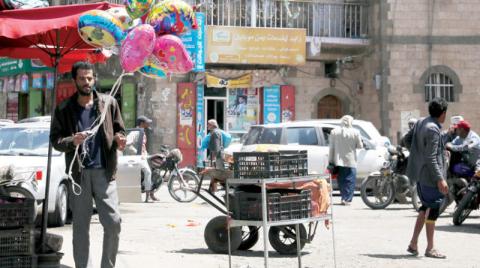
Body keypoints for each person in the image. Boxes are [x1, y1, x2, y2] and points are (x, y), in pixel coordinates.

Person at [50, 61, 126, 268]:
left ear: (94, 79)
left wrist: (120, 139)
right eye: (82, 78)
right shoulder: (64, 108)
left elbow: (121, 130)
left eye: (90, 78)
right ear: (75, 80)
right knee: (81, 227)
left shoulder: (109, 103)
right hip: (79, 175)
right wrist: (71, 141)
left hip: (105, 172)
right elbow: (55, 140)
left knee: (113, 223)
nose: (87, 82)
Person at [404, 97, 449, 259]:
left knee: (424, 208)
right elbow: (431, 157)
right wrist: (440, 179)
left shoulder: (422, 122)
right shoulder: (433, 129)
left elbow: (406, 140)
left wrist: (418, 154)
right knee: (433, 210)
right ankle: (430, 248)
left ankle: (413, 243)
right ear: (443, 113)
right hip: (430, 177)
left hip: (421, 174)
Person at [328, 115, 363, 205]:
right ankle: (347, 199)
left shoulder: (334, 132)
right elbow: (360, 146)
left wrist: (330, 160)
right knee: (350, 180)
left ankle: (343, 197)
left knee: (341, 180)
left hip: (338, 161)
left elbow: (331, 148)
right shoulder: (356, 132)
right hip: (351, 161)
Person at [126, 116, 158, 202]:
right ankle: (147, 197)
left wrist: (147, 155)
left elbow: (143, 146)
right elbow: (127, 144)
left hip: (144, 156)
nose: (148, 123)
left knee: (156, 169)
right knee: (148, 172)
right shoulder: (135, 132)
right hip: (139, 158)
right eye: (146, 122)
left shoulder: (142, 132)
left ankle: (152, 193)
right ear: (142, 123)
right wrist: (137, 153)